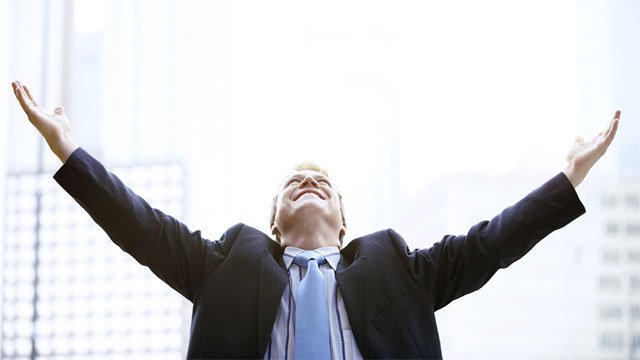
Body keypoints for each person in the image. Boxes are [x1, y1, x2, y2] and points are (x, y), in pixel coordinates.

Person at [11, 80, 620, 359]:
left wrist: (570, 178)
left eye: (322, 182)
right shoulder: (227, 261)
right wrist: (69, 151)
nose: (309, 182)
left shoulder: (395, 265)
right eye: (294, 182)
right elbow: (139, 225)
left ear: (344, 220)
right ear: (273, 221)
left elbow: (492, 242)